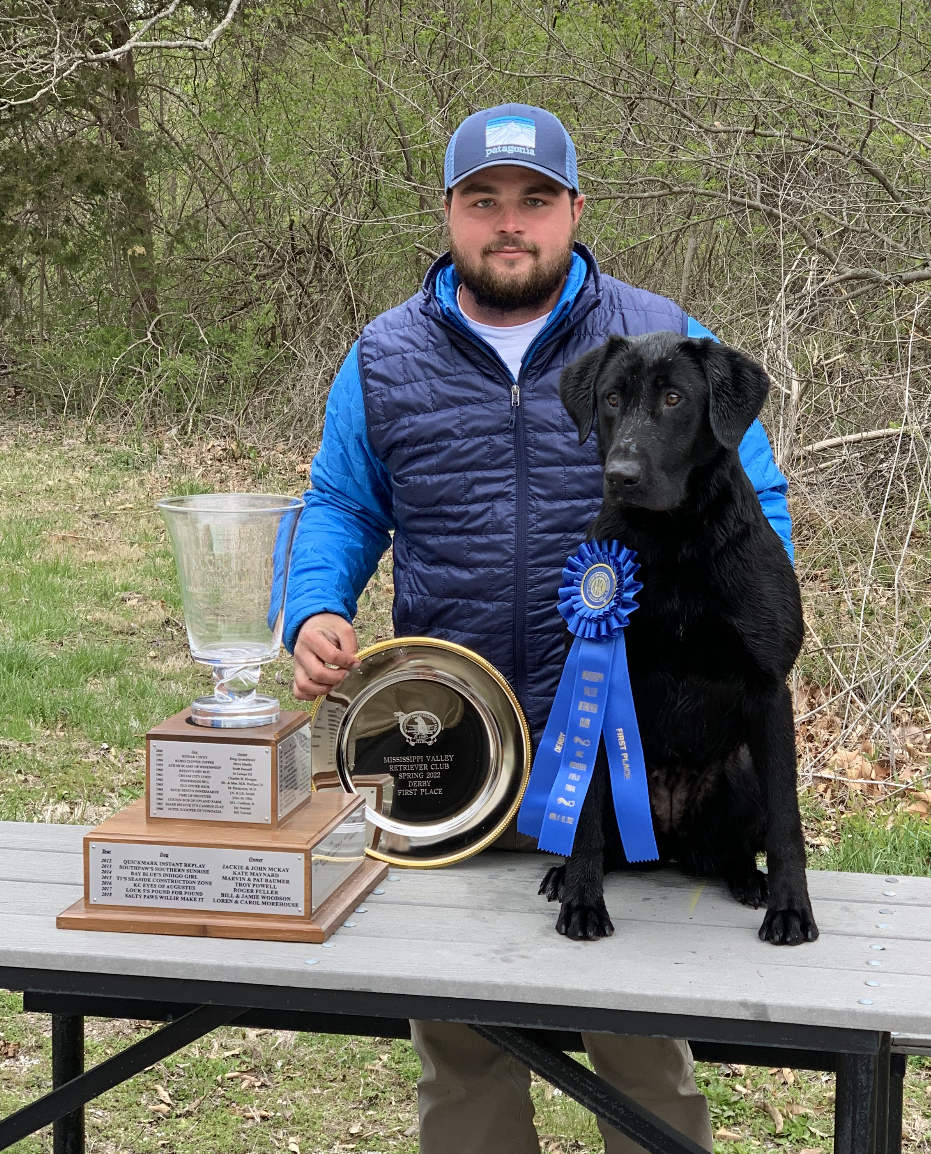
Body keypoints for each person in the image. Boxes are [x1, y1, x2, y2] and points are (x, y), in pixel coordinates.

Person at [284, 103, 793, 1154]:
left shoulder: (658, 334)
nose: (507, 223)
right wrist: (316, 604)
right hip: (447, 755)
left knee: (639, 1039)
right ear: (449, 212)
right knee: (462, 1049)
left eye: (533, 200)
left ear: (573, 210)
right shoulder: (381, 357)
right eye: (484, 201)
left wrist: (752, 641)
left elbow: (756, 505)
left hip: (626, 765)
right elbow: (340, 501)